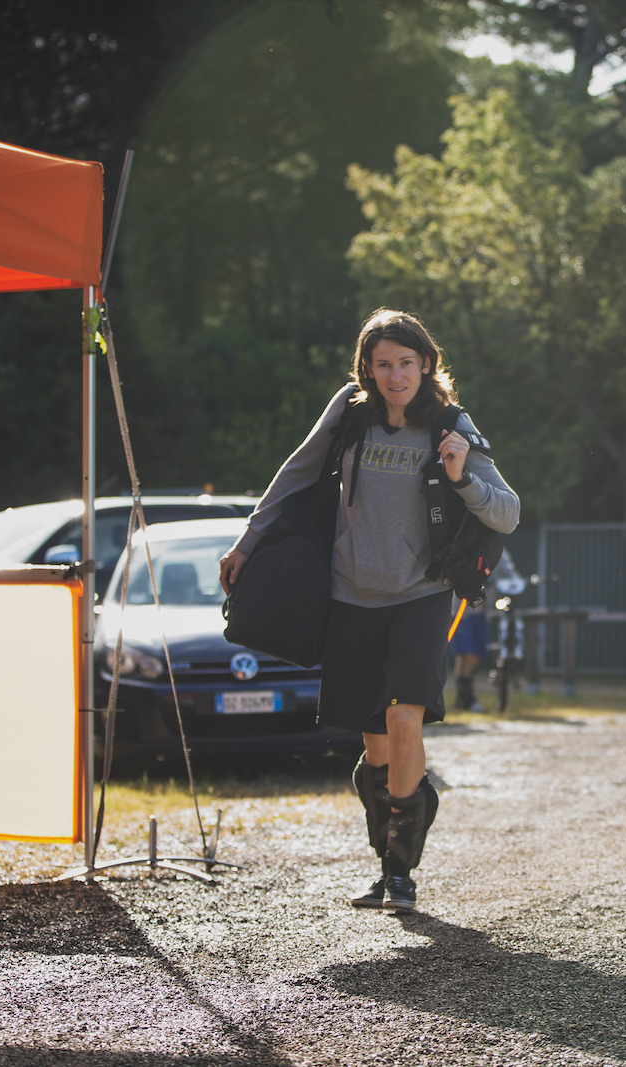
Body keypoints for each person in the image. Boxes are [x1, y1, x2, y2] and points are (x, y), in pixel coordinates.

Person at [218, 308, 519, 912]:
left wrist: (461, 478)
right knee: (375, 744)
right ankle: (393, 845)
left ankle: (401, 871)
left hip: (422, 595)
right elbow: (297, 471)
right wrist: (248, 539)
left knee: (406, 721)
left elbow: (507, 511)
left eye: (406, 362)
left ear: (426, 364)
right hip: (350, 595)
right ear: (368, 369)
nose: (395, 374)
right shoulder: (350, 414)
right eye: (382, 364)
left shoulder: (451, 425)